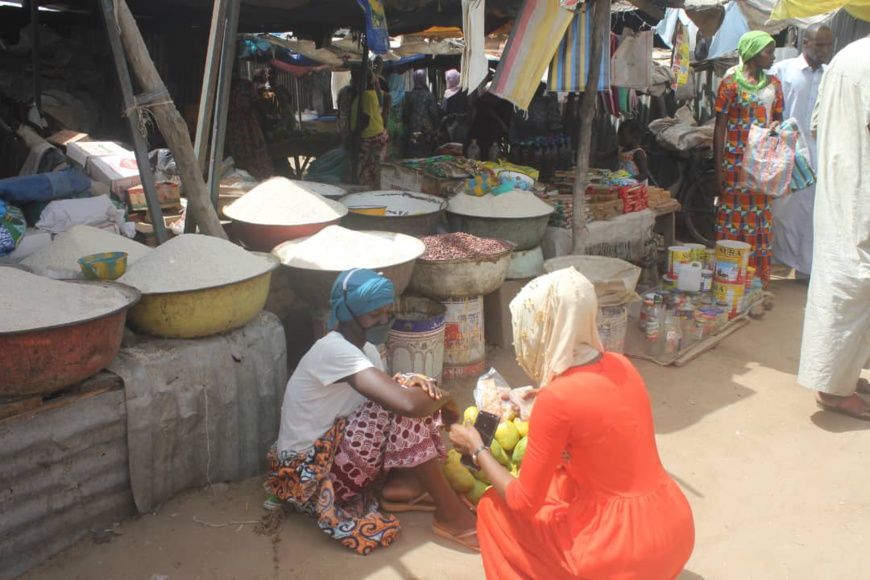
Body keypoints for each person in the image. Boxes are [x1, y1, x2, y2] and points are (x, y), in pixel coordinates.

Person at [449, 268, 695, 579]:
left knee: (492, 508)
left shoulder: (557, 400)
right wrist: (539, 399)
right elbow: (595, 413)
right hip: (674, 529)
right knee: (560, 481)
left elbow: (522, 502)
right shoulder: (621, 365)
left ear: (545, 329)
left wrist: (477, 448)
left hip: (621, 550)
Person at [264, 269, 478, 554]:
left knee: (410, 386)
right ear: (346, 313)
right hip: (309, 477)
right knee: (404, 399)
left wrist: (418, 387)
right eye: (374, 314)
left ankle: (403, 486)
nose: (383, 321)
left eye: (387, 313)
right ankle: (450, 515)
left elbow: (396, 397)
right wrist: (445, 398)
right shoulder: (333, 350)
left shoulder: (366, 350)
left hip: (333, 451)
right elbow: (404, 404)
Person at [798, 35, 870, 420]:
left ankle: (843, 377)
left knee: (847, 287)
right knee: (852, 288)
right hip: (858, 193)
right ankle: (834, 389)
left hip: (842, 187)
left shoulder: (848, 55)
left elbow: (815, 124)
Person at [713, 31, 784, 291]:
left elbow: (778, 119)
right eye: (768, 51)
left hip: (761, 166)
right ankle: (729, 281)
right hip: (734, 166)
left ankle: (756, 283)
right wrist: (718, 170)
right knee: (731, 220)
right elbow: (719, 129)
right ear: (753, 53)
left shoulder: (774, 84)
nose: (773, 56)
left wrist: (775, 126)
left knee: (759, 220)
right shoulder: (730, 84)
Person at [770, 24, 834, 279]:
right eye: (820, 45)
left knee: (812, 214)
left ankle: (805, 270)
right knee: (782, 211)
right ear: (805, 43)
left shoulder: (832, 75)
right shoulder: (783, 71)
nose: (825, 50)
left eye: (828, 45)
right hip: (788, 152)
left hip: (819, 153)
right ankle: (777, 267)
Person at [350, 71, 391, 187]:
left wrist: (353, 136)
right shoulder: (368, 94)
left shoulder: (367, 95)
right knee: (372, 171)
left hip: (371, 137)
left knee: (367, 173)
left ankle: (370, 191)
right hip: (374, 135)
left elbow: (365, 119)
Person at [403, 70, 440, 158]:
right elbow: (434, 114)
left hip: (413, 128)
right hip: (427, 129)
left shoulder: (410, 96)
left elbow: (406, 114)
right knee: (427, 152)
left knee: (414, 152)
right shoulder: (429, 95)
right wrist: (436, 127)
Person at [441, 69, 472, 145]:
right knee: (461, 146)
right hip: (464, 125)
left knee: (452, 146)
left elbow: (443, 109)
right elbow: (469, 106)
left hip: (451, 125)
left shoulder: (447, 94)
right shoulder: (465, 91)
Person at [617, 119, 652, 183]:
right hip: (624, 183)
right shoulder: (621, 149)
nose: (619, 138)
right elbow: (604, 156)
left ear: (634, 136)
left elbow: (644, 174)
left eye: (622, 136)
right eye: (619, 135)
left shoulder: (638, 153)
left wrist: (628, 179)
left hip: (636, 185)